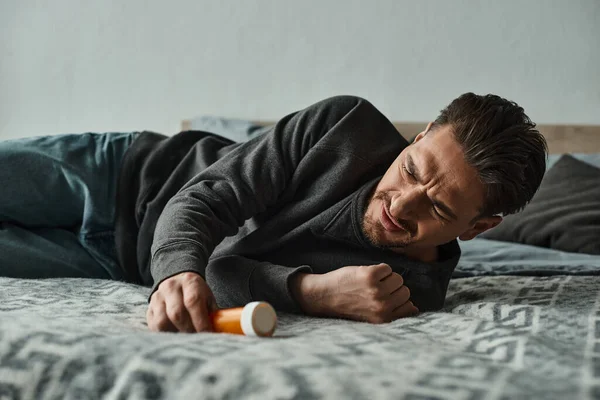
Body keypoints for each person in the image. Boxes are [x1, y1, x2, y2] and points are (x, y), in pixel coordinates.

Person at [0, 94, 547, 333]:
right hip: (125, 172)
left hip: (117, 262)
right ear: (421, 136)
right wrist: (312, 290)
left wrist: (305, 294)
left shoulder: (403, 291)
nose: (399, 205)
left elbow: (220, 267)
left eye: (437, 206)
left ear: (478, 229)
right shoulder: (341, 126)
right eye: (411, 170)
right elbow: (200, 201)